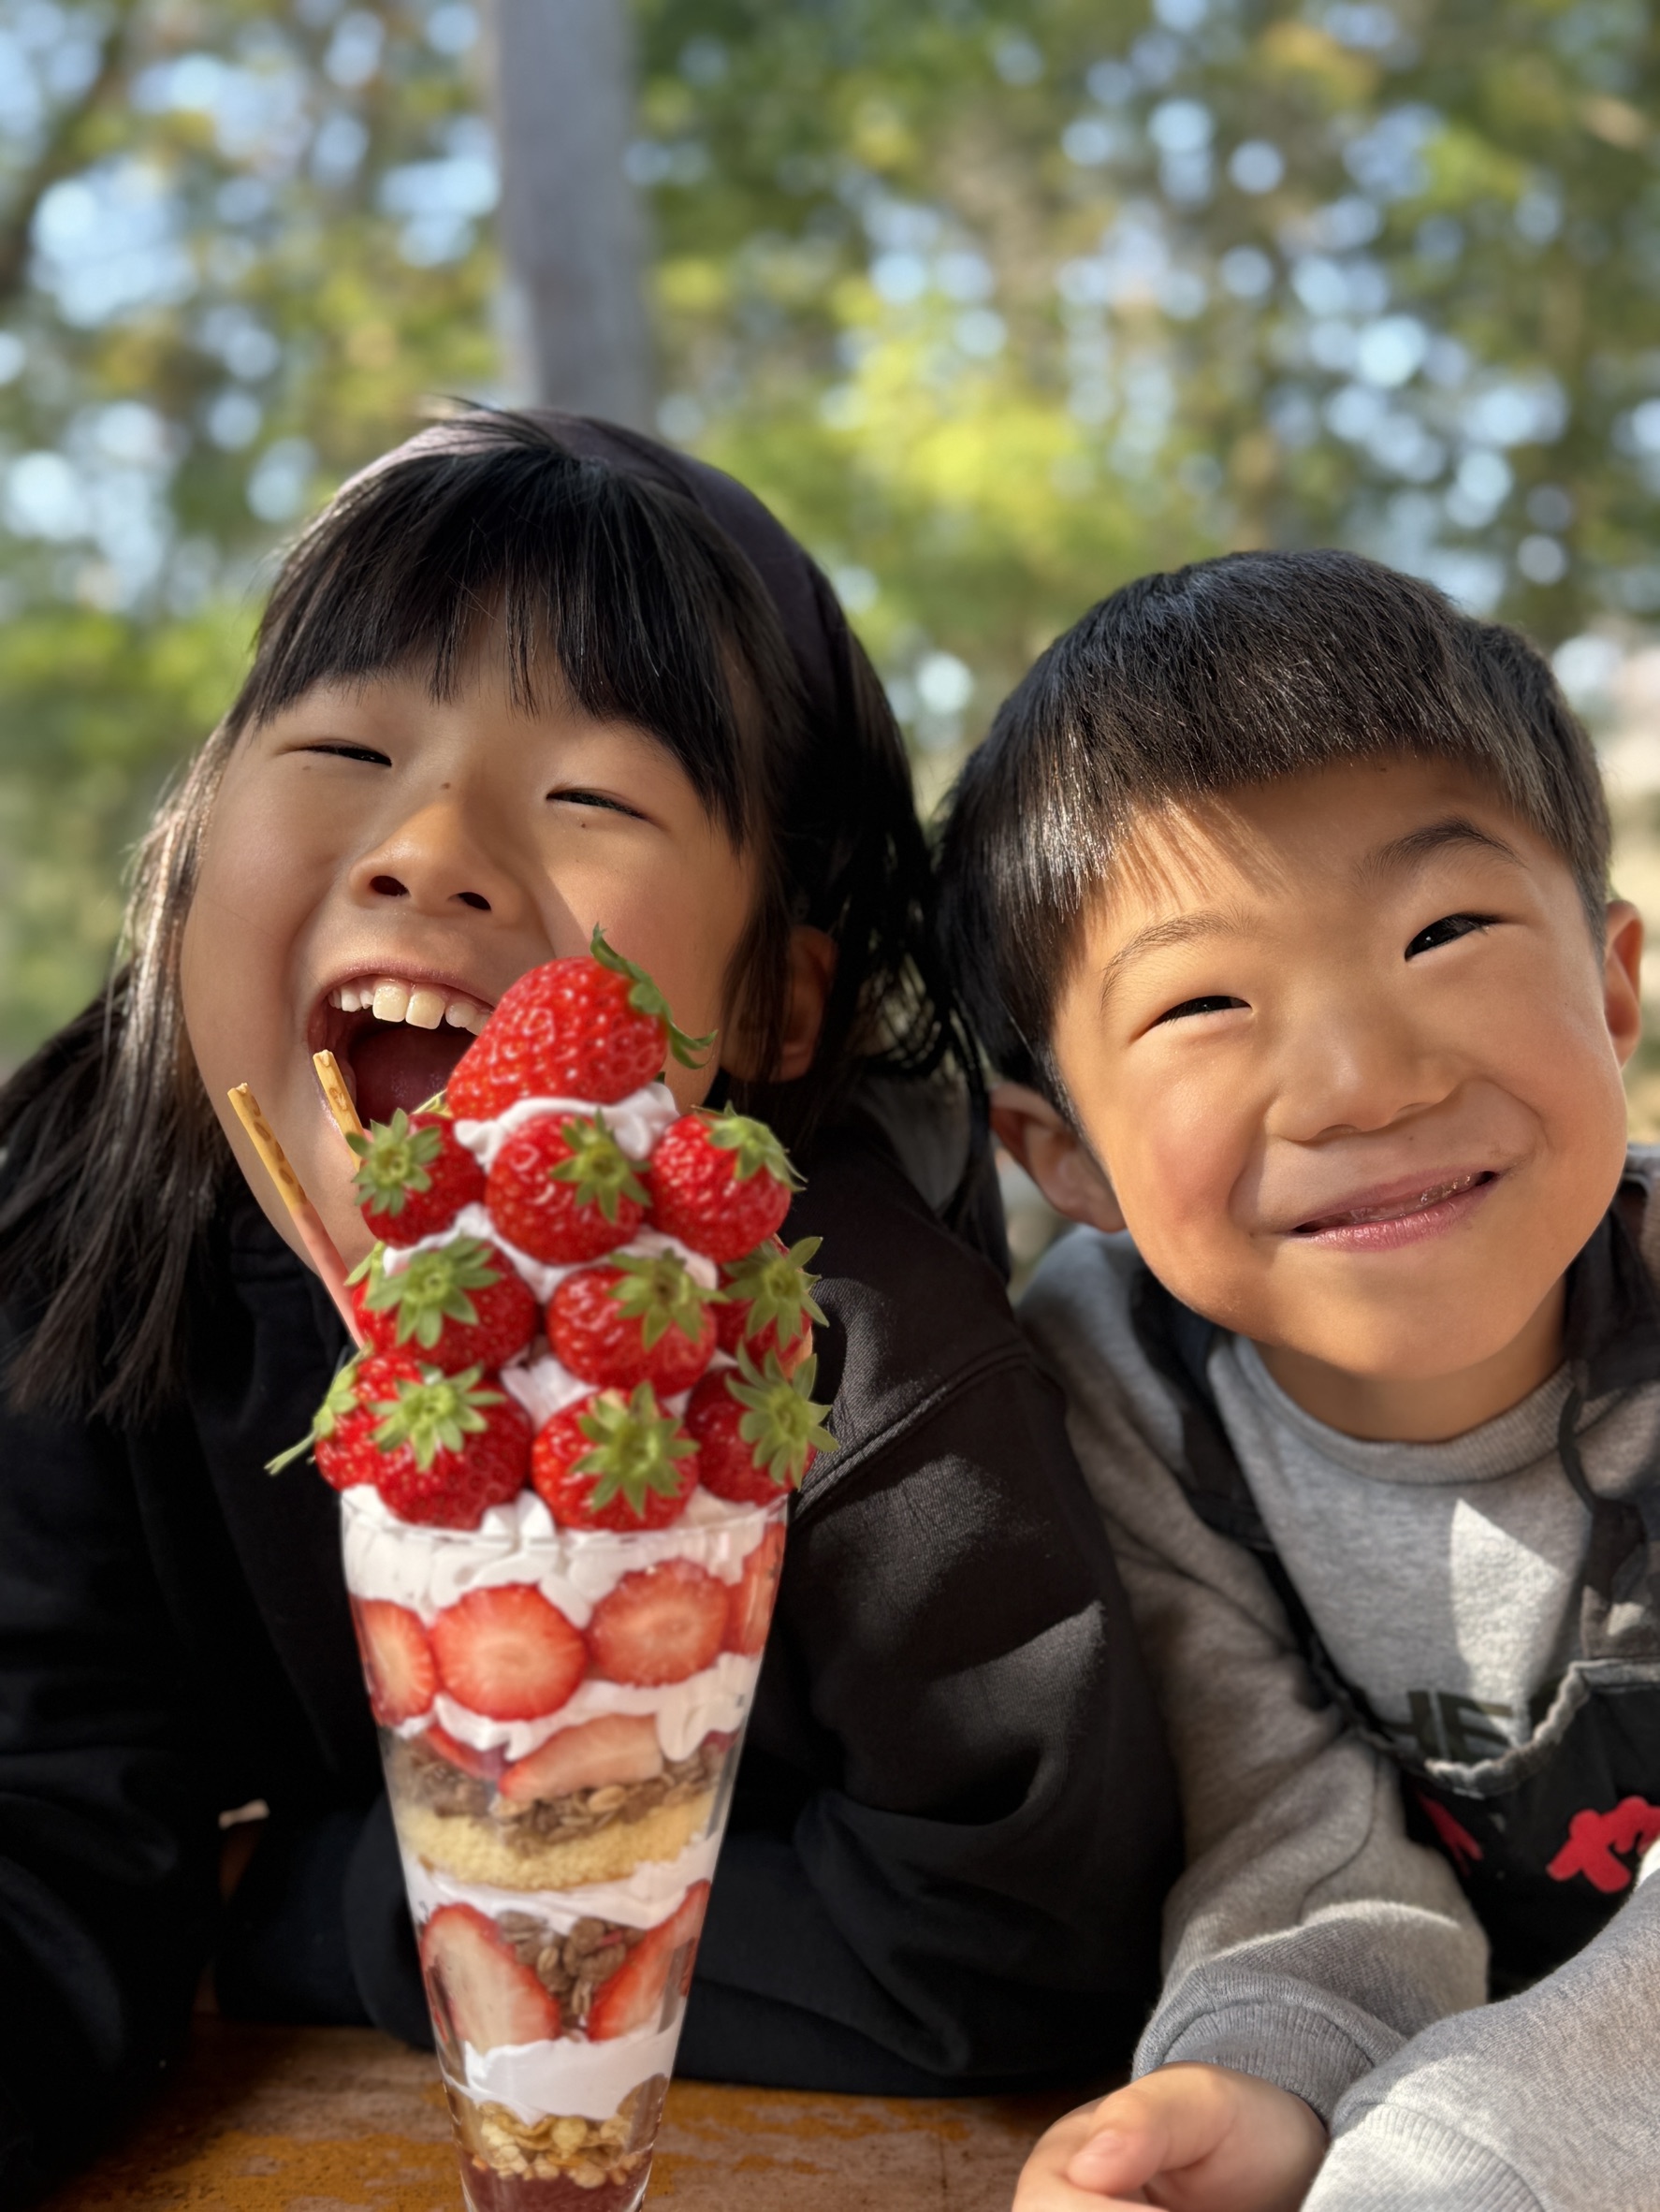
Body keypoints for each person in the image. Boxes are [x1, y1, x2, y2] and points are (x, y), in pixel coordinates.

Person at [0, 409, 1178, 2208]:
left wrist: (338, 1902)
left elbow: (1003, 1925)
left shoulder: (838, 1359)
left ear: (781, 1012)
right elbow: (45, 1814)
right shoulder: (84, 1249)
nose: (428, 843)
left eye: (593, 798)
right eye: (341, 743)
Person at [937, 548, 1660, 2212]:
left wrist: (1465, 2147)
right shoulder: (1123, 1386)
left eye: (1445, 929)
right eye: (1201, 1002)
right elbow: (1287, 1826)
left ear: (1610, 984)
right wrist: (1259, 2081)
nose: (1356, 1080)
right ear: (1066, 1158)